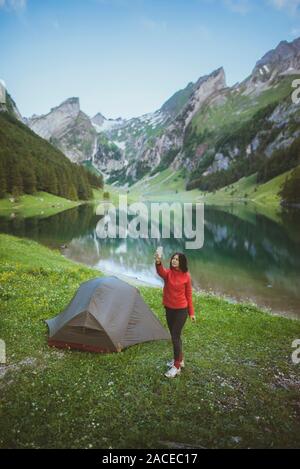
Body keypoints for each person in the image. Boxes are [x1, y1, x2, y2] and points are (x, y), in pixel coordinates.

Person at [154, 251, 196, 378]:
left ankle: (176, 366)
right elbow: (160, 271)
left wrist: (191, 313)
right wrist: (158, 261)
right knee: (174, 335)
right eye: (173, 259)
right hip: (169, 309)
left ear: (181, 262)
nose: (174, 261)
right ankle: (180, 360)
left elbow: (188, 294)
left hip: (181, 310)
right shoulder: (168, 274)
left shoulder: (186, 276)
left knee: (175, 337)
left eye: (177, 259)